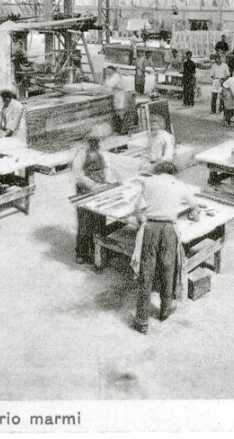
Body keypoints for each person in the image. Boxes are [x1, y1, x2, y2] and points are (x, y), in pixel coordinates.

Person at [128, 174, 192, 333]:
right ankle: (165, 310)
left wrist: (142, 220)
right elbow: (194, 203)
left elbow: (136, 209)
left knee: (146, 273)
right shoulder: (178, 184)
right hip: (169, 229)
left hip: (151, 228)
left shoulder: (148, 182)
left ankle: (142, 321)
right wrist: (193, 210)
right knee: (168, 270)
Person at [72, 123, 117, 264]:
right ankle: (82, 252)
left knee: (99, 220)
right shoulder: (81, 154)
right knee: (85, 222)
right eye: (93, 140)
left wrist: (107, 182)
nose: (96, 143)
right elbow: (79, 175)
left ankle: (98, 250)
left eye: (98, 140)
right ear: (88, 140)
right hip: (85, 190)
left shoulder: (102, 153)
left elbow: (107, 168)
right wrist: (93, 185)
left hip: (100, 188)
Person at [104, 66, 132, 134]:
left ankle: (124, 130)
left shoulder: (116, 76)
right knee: (118, 112)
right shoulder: (111, 77)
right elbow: (106, 85)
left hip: (120, 95)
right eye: (107, 71)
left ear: (113, 71)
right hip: (116, 95)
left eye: (109, 71)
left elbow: (110, 84)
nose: (108, 72)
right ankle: (120, 130)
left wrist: (107, 78)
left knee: (121, 112)